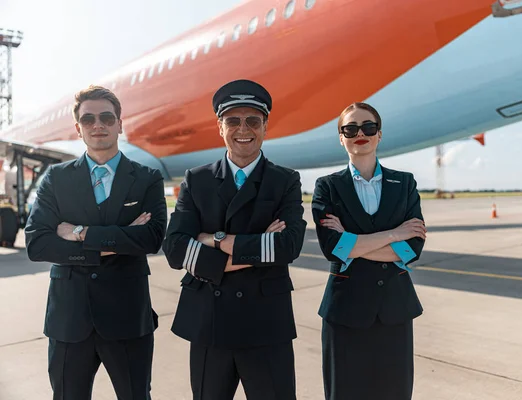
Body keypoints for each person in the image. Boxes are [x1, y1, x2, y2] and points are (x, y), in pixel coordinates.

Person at [162, 79, 307, 400]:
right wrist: (257, 247)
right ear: (220, 127)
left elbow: (288, 247)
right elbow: (174, 250)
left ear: (265, 127)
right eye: (233, 121)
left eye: (253, 120)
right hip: (208, 324)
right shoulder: (196, 179)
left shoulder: (285, 180)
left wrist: (213, 239)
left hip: (266, 325)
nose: (244, 129)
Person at [25, 85, 167, 399]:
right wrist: (118, 239)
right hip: (69, 320)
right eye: (88, 119)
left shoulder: (146, 178)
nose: (97, 125)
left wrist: (79, 233)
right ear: (78, 128)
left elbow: (153, 238)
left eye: (106, 117)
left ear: (120, 123)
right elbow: (37, 244)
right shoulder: (56, 178)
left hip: (128, 317)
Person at [311, 102, 427, 400]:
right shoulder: (327, 187)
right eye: (350, 129)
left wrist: (354, 243)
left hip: (395, 308)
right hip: (345, 311)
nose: (359, 133)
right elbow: (333, 248)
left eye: (368, 127)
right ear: (341, 137)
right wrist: (393, 234)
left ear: (379, 135)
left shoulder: (404, 183)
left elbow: (410, 249)